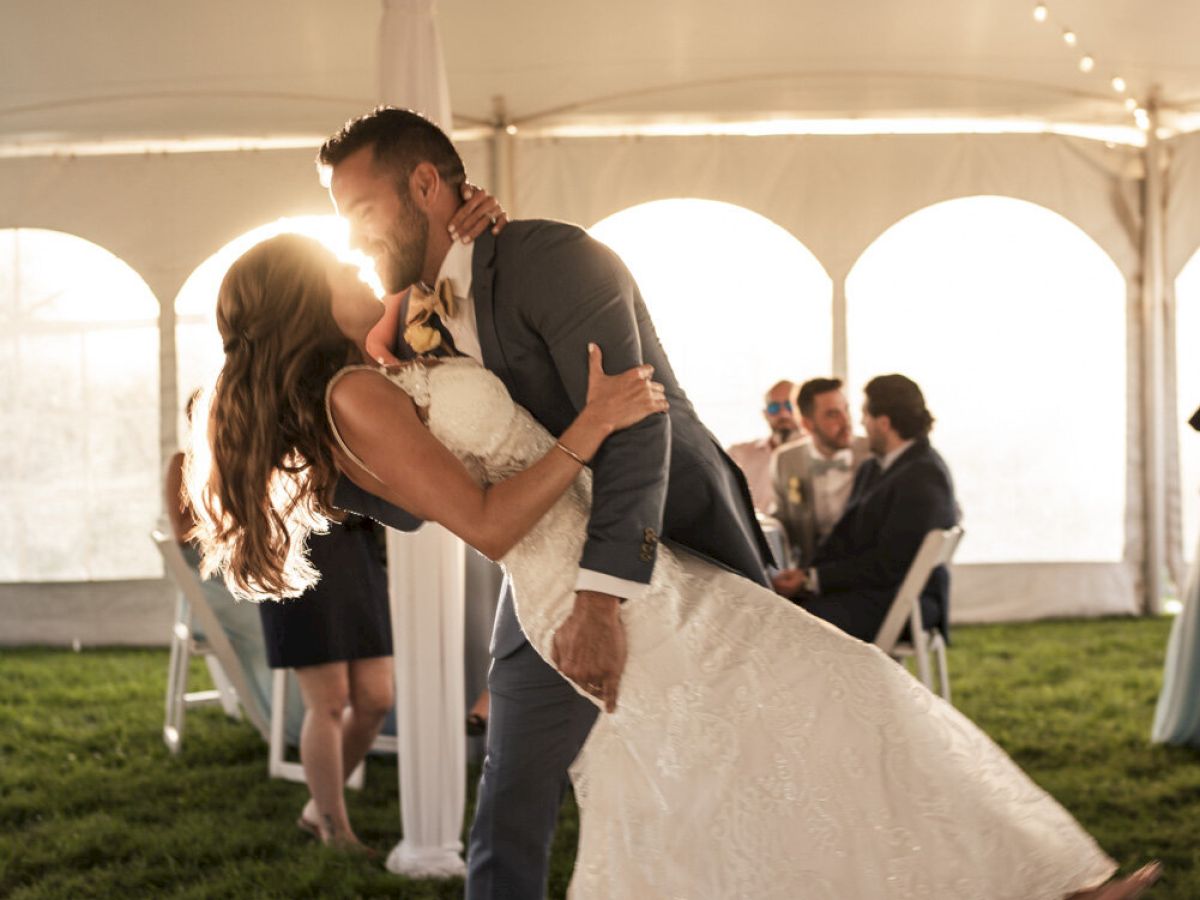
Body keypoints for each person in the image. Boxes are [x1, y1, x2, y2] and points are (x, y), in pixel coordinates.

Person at [189, 232, 1158, 899]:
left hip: (628, 571)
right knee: (818, 705)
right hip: (578, 586)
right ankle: (1039, 881)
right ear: (305, 295)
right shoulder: (356, 396)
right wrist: (592, 428)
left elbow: (450, 362)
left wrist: (466, 246)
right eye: (342, 263)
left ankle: (1037, 878)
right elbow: (485, 522)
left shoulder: (372, 368)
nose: (364, 266)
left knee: (715, 773)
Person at [316, 107, 774, 899]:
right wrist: (327, 476)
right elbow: (427, 495)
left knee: (745, 768)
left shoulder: (555, 258)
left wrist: (599, 600)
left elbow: (638, 425)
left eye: (360, 213)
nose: (352, 239)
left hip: (672, 531)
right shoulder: (410, 316)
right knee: (510, 800)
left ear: (425, 184)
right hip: (544, 565)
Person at [774, 375, 958, 643]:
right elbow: (844, 539)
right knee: (784, 609)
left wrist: (812, 580)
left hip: (907, 601)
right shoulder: (875, 467)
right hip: (878, 590)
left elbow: (888, 565)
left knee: (796, 623)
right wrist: (805, 577)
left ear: (883, 423)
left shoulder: (923, 475)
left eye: (863, 415)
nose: (859, 423)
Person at [770, 377, 870, 568]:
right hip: (810, 570)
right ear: (807, 425)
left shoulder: (871, 452)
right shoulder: (785, 460)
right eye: (833, 414)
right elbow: (782, 520)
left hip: (864, 569)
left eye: (846, 410)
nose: (846, 421)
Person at [727, 379, 800, 512]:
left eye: (790, 406)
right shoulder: (739, 454)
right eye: (774, 408)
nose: (783, 414)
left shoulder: (819, 456)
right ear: (765, 414)